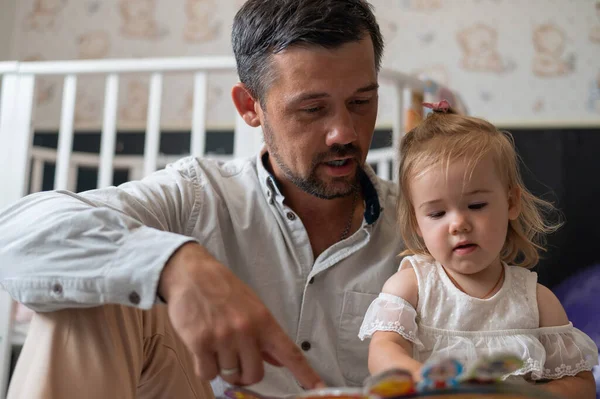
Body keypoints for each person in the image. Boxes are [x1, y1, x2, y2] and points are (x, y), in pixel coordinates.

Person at [0, 1, 404, 398]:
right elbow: (13, 236)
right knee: (92, 285)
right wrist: (173, 264)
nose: (345, 133)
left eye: (361, 102)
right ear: (251, 107)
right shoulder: (197, 196)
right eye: (313, 109)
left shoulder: (426, 225)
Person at [358, 101, 598, 399]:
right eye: (436, 214)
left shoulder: (537, 301)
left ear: (511, 202)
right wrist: (425, 379)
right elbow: (383, 352)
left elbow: (582, 386)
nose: (458, 224)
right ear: (417, 223)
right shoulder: (412, 286)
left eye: (476, 205)